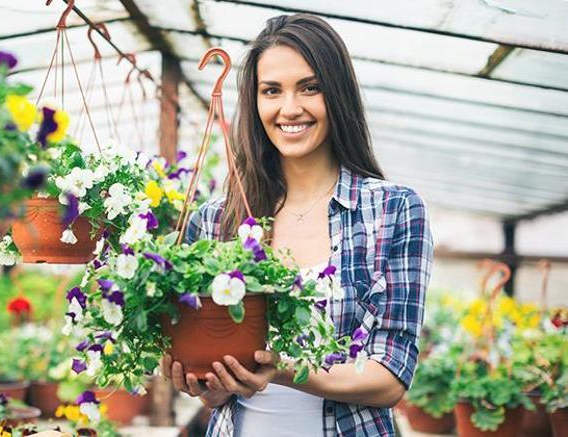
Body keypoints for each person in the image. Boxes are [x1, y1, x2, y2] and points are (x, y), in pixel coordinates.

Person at [160, 13, 433, 436]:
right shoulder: (216, 220)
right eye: (272, 91)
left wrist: (283, 370)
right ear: (255, 102)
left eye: (310, 87)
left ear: (336, 93)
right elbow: (217, 391)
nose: (290, 108)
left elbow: (391, 376)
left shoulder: (393, 211)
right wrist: (209, 386)